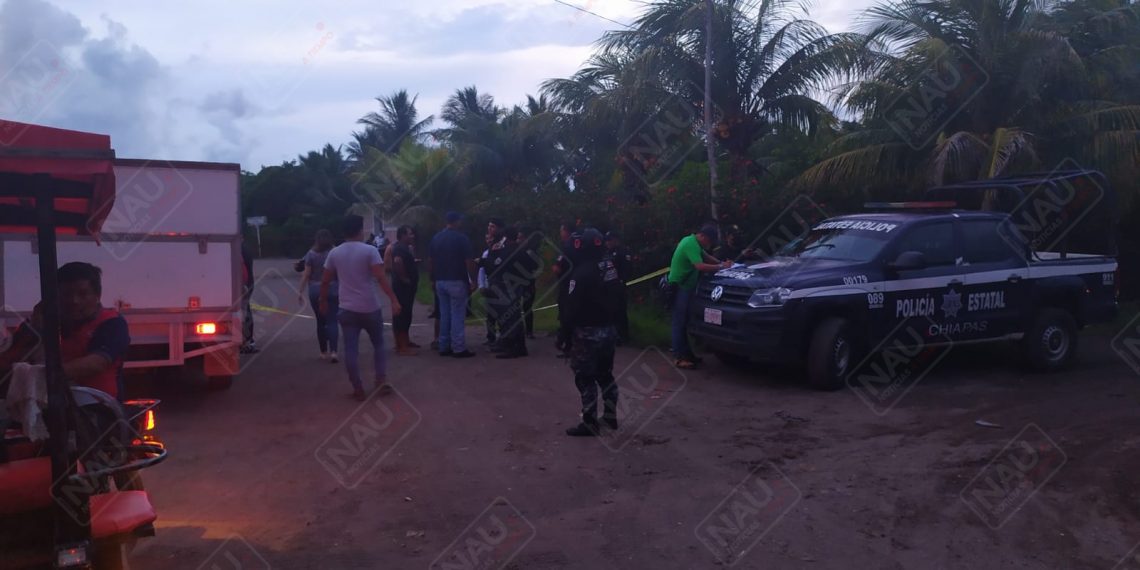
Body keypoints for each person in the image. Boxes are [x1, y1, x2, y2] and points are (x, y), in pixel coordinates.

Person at [320, 215, 403, 401]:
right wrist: (393, 299)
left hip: (346, 308)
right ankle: (380, 379)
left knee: (351, 349)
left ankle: (357, 387)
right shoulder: (370, 250)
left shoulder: (335, 253)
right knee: (379, 344)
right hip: (369, 306)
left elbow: (325, 280)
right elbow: (380, 278)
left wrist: (323, 301)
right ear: (360, 230)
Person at [562, 228, 623, 437]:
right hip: (609, 330)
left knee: (584, 377)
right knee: (605, 374)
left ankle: (589, 422)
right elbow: (619, 296)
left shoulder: (581, 272)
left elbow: (571, 308)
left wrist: (564, 335)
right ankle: (610, 415)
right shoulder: (609, 267)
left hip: (587, 332)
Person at [56, 262, 132, 400]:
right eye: (67, 294)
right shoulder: (50, 322)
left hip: (99, 409)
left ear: (97, 295)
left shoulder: (112, 323)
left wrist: (46, 374)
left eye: (83, 294)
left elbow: (97, 363)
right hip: (57, 404)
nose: (74, 301)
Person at [668, 225, 731, 370]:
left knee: (685, 322)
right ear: (703, 236)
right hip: (680, 287)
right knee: (679, 322)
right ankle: (679, 357)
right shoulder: (690, 244)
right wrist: (721, 267)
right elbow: (700, 266)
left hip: (687, 288)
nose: (709, 245)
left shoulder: (693, 242)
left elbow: (706, 257)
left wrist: (723, 264)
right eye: (709, 241)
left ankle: (687, 354)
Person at [429, 211, 477, 358]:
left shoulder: (436, 238)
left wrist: (432, 279)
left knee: (444, 314)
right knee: (457, 314)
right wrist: (473, 279)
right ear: (457, 222)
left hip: (440, 281)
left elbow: (430, 260)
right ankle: (458, 347)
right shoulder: (461, 238)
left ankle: (444, 346)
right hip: (456, 280)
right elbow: (469, 261)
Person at [486, 226, 531, 359]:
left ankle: (511, 347)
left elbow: (495, 266)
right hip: (515, 286)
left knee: (508, 317)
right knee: (515, 316)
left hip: (507, 287)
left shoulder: (508, 251)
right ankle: (520, 346)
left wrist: (492, 253)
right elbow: (530, 266)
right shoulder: (520, 250)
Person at [390, 225, 421, 355]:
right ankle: (401, 346)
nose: (412, 236)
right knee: (402, 315)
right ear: (402, 235)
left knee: (406, 314)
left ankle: (405, 341)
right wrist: (404, 278)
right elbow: (397, 262)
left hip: (406, 287)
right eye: (410, 234)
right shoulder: (399, 248)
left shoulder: (404, 248)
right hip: (402, 287)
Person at [553, 220, 579, 358]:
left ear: (566, 231)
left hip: (566, 285)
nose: (560, 233)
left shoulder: (567, 246)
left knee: (565, 316)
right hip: (579, 285)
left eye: (561, 230)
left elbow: (557, 267)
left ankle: (567, 345)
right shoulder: (581, 245)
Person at [604, 231, 632, 344]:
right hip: (608, 286)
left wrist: (621, 281)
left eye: (609, 240)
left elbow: (626, 269)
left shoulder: (623, 252)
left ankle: (623, 336)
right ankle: (612, 334)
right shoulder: (607, 252)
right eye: (606, 240)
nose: (607, 243)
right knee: (610, 311)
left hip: (619, 286)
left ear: (615, 240)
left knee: (620, 311)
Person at [239, 240, 258, 354]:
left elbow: (243, 270)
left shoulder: (239, 249)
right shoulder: (245, 248)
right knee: (246, 314)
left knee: (244, 315)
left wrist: (244, 286)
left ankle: (246, 342)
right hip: (247, 285)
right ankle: (248, 341)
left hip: (244, 286)